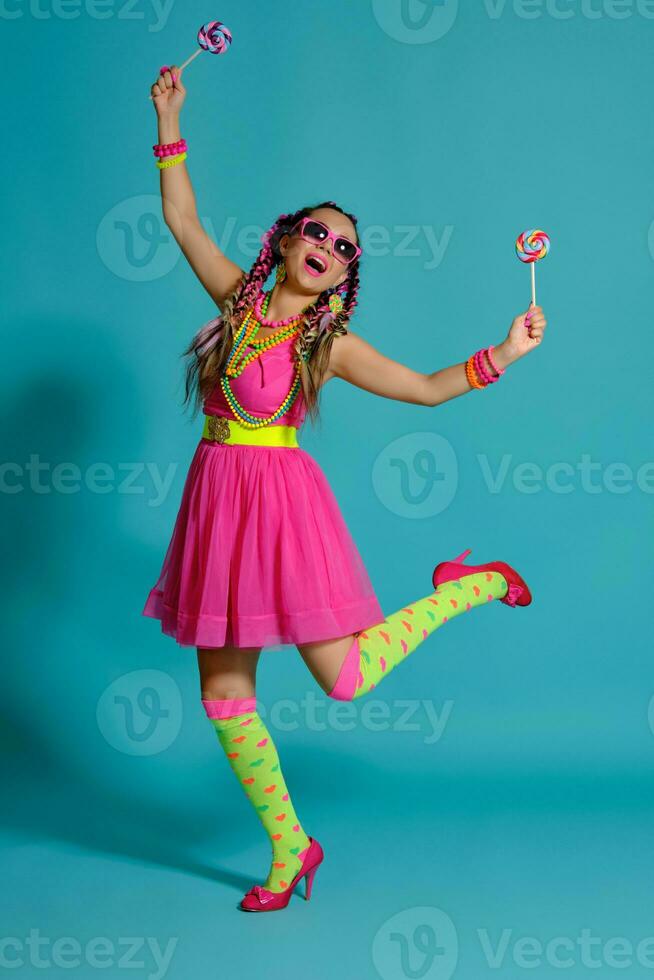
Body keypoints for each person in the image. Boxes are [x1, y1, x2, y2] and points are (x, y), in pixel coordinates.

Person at [143, 64, 548, 913]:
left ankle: (467, 586)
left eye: (343, 251)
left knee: (345, 678)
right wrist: (171, 119)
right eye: (319, 235)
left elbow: (426, 388)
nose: (327, 250)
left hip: (280, 508)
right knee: (223, 694)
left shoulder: (324, 347)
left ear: (342, 275)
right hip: (218, 499)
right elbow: (180, 217)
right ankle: (291, 847)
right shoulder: (237, 298)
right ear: (286, 239)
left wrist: (504, 352)